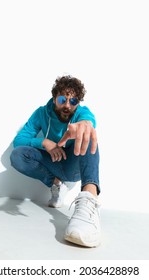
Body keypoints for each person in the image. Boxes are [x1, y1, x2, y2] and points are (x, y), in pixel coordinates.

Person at [10, 75, 101, 247]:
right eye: (62, 99)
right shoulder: (41, 113)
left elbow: (88, 119)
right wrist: (44, 142)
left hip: (73, 164)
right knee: (18, 155)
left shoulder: (81, 113)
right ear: (54, 98)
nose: (67, 105)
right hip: (52, 161)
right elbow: (19, 140)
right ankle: (56, 184)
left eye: (73, 101)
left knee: (88, 136)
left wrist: (85, 124)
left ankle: (90, 202)